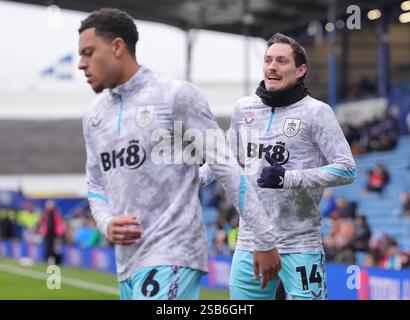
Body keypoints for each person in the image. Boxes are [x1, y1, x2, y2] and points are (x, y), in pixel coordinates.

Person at [78, 8, 280, 300]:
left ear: (117, 47)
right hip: (128, 263)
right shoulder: (94, 116)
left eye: (88, 52)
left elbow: (225, 166)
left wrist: (263, 238)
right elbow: (95, 185)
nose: (81, 64)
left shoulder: (175, 96)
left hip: (174, 252)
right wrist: (106, 222)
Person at [200, 33, 356, 299]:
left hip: (300, 243)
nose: (272, 66)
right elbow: (223, 161)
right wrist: (187, 179)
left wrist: (289, 178)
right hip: (251, 242)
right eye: (268, 59)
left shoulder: (316, 112)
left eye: (282, 61)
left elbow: (346, 169)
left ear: (300, 70)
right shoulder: (244, 109)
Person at [39, 200, 65, 265]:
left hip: (54, 233)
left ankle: (54, 260)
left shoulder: (55, 213)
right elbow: (43, 223)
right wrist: (42, 231)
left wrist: (59, 232)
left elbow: (58, 223)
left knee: (54, 247)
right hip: (47, 233)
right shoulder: (45, 214)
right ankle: (48, 259)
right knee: (48, 247)